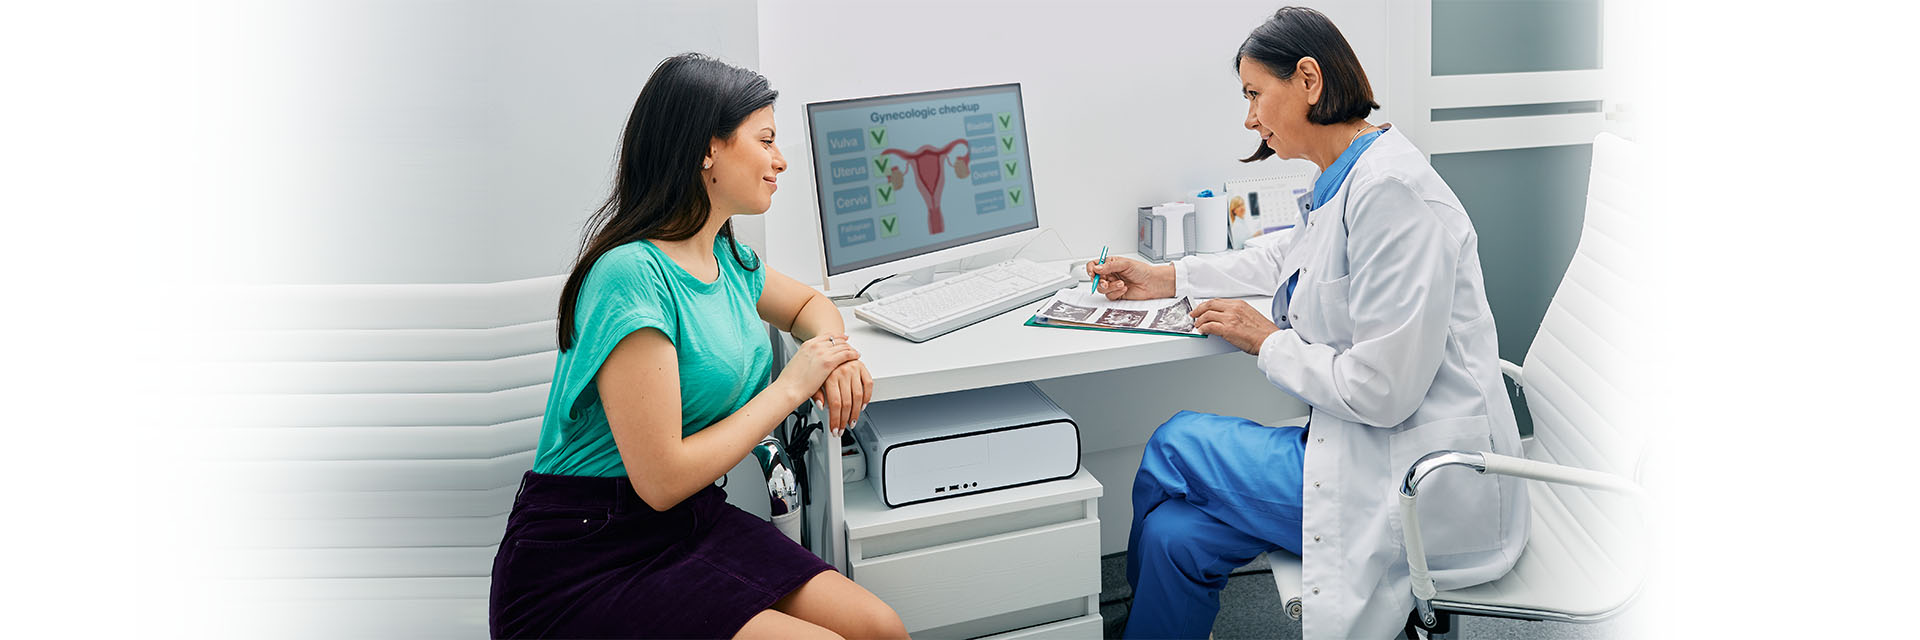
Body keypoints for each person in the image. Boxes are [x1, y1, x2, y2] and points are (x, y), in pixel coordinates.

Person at [1088, 8, 1529, 640]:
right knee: (1172, 536)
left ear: (1308, 79)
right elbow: (1281, 258)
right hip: (1357, 445)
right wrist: (1167, 278)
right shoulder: (1345, 176)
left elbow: (1381, 390)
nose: (1249, 119)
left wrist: (1267, 341)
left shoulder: (1394, 194)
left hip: (1420, 479)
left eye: (1253, 94)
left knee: (1174, 442)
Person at [489, 53, 908, 640]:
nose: (780, 161)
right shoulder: (632, 275)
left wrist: (834, 355)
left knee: (880, 628)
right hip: (585, 553)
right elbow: (660, 480)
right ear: (707, 149)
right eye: (765, 141)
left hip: (685, 523)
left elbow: (812, 306)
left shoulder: (728, 259)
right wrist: (794, 385)